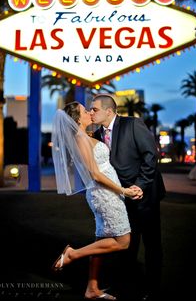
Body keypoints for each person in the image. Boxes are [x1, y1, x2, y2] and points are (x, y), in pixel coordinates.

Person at [51, 101, 143, 300]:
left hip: (107, 192)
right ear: (77, 119)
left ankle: (91, 289)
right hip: (105, 193)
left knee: (101, 239)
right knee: (123, 241)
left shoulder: (85, 136)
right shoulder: (80, 138)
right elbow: (94, 173)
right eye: (86, 111)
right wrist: (123, 191)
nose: (90, 113)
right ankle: (72, 255)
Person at [90, 94, 166, 301]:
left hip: (146, 193)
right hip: (121, 197)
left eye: (94, 109)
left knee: (151, 244)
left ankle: (152, 289)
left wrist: (140, 185)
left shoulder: (132, 124)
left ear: (108, 110)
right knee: (127, 243)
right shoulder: (96, 135)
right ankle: (125, 286)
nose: (91, 112)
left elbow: (151, 155)